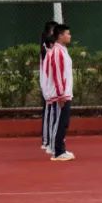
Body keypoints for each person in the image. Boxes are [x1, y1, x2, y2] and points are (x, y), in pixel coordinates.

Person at [44, 23, 75, 162]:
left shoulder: (62, 50)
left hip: (64, 93)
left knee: (63, 122)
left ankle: (60, 148)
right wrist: (61, 94)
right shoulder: (57, 52)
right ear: (60, 36)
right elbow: (57, 74)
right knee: (59, 122)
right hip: (60, 95)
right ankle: (58, 151)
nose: (70, 36)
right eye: (67, 33)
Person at [39, 20, 58, 155]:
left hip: (55, 83)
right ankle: (46, 141)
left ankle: (53, 139)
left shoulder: (56, 48)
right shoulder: (46, 48)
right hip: (48, 84)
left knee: (55, 112)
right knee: (48, 110)